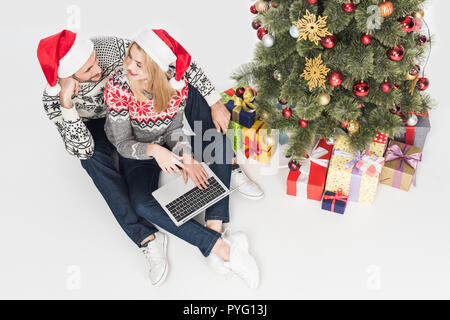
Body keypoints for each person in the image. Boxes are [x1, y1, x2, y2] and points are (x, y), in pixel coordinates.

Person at [37, 30, 262, 286]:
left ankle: (217, 218)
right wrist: (67, 103)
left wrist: (206, 114)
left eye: (96, 60)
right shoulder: (69, 96)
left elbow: (173, 61)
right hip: (107, 126)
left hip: (154, 116)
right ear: (67, 75)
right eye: (90, 68)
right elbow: (87, 147)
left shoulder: (122, 56)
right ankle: (151, 238)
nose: (100, 68)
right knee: (92, 160)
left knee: (202, 105)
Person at [104, 27, 260, 288]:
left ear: (156, 69)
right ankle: (222, 248)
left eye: (139, 63)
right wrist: (154, 151)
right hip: (138, 150)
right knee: (141, 204)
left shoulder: (176, 85)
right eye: (130, 57)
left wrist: (184, 154)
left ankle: (215, 228)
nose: (129, 65)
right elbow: (121, 143)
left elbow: (174, 127)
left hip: (166, 141)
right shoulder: (117, 87)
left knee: (217, 143)